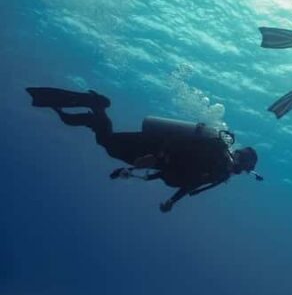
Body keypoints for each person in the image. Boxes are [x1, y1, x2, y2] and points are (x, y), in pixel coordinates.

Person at [26, 87, 262, 212]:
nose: (239, 168)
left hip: (154, 157)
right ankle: (96, 107)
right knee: (108, 143)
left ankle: (94, 112)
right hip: (152, 147)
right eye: (243, 165)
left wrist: (169, 200)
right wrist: (156, 155)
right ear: (242, 162)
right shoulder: (216, 151)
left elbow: (187, 182)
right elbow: (181, 144)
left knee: (108, 143)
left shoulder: (219, 175)